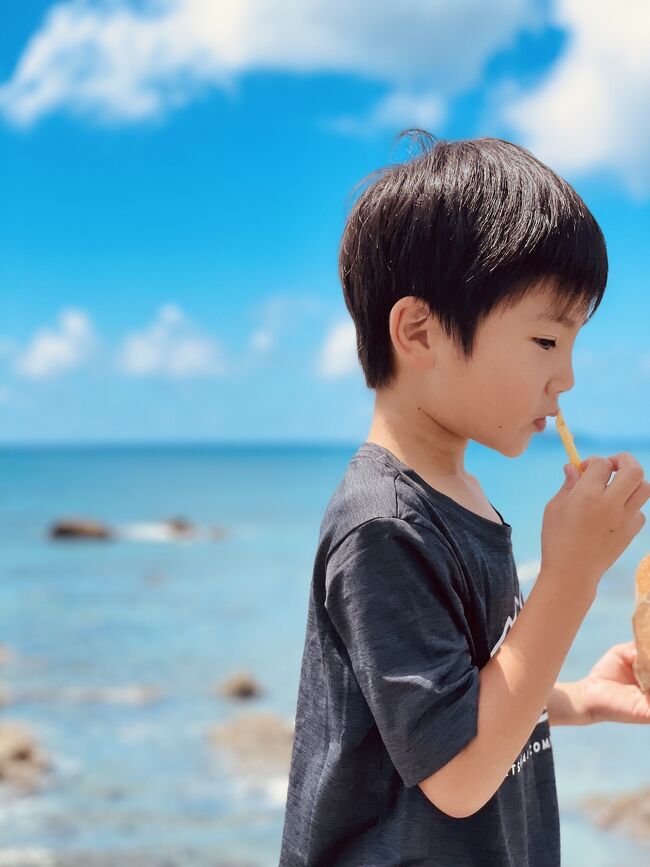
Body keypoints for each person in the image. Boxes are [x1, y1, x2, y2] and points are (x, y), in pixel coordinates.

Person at [278, 132, 650, 866]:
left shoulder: (460, 495)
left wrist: (575, 698)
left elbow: (455, 701)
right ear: (420, 332)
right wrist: (574, 574)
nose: (566, 376)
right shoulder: (381, 525)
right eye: (546, 340)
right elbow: (457, 775)